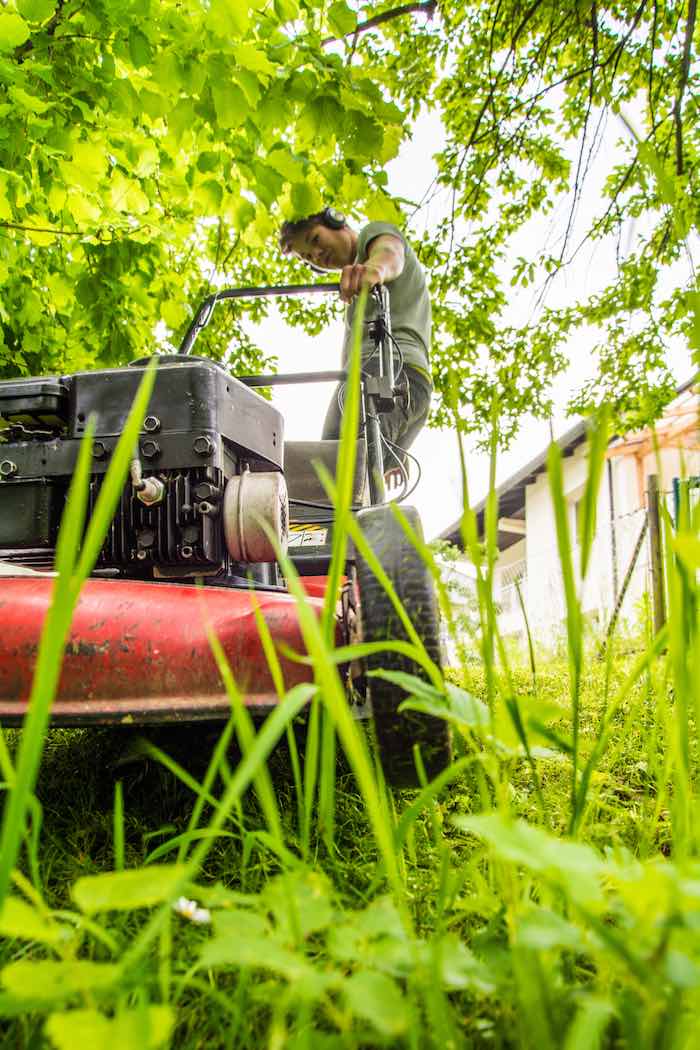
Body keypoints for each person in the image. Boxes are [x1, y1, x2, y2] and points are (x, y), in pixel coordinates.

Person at [278, 208, 433, 485]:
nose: (316, 256)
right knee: (326, 481)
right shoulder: (358, 302)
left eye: (314, 239)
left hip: (391, 374)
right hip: (381, 381)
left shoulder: (373, 237)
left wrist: (376, 268)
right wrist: (397, 449)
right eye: (307, 257)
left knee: (340, 475)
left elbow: (390, 253)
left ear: (336, 222)